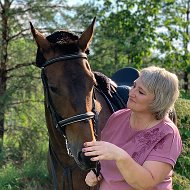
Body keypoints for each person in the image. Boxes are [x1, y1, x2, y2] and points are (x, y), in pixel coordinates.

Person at [83, 66, 182, 190]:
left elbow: (146, 183)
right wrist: (96, 173)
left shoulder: (167, 134)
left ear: (158, 101)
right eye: (134, 86)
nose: (131, 93)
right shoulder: (117, 117)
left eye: (141, 92)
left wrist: (119, 155)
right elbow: (104, 159)